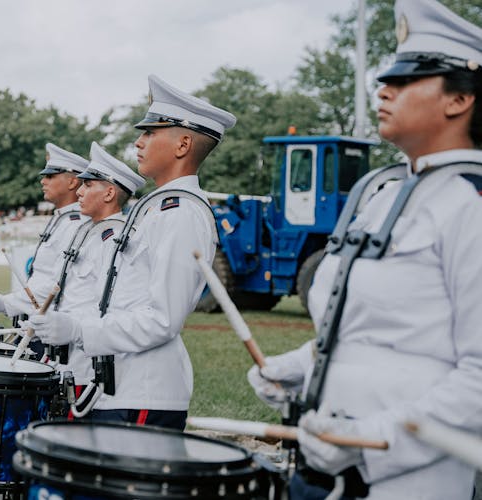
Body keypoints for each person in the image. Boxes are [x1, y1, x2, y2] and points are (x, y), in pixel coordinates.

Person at [247, 1, 482, 498]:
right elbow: (377, 334)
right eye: (385, 79)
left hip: (411, 480)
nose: (384, 91)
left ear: (459, 100)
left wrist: (375, 439)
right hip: (328, 467)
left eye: (405, 81)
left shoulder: (470, 204)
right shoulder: (386, 196)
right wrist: (300, 367)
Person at [28, 74, 236, 430]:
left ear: (183, 144)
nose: (138, 142)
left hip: (144, 389)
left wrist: (78, 330)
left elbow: (163, 319)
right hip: (120, 384)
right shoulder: (157, 208)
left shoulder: (180, 213)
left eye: (150, 133)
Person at [43, 142, 145, 416]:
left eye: (88, 185)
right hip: (71, 361)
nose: (79, 190)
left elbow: (108, 308)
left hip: (90, 365)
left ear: (110, 192)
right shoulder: (88, 232)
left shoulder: (118, 240)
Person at [0, 143, 89, 319]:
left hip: (52, 327)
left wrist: (7, 303)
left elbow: (56, 284)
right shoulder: (62, 218)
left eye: (51, 176)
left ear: (72, 182)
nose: (43, 181)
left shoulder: (76, 224)